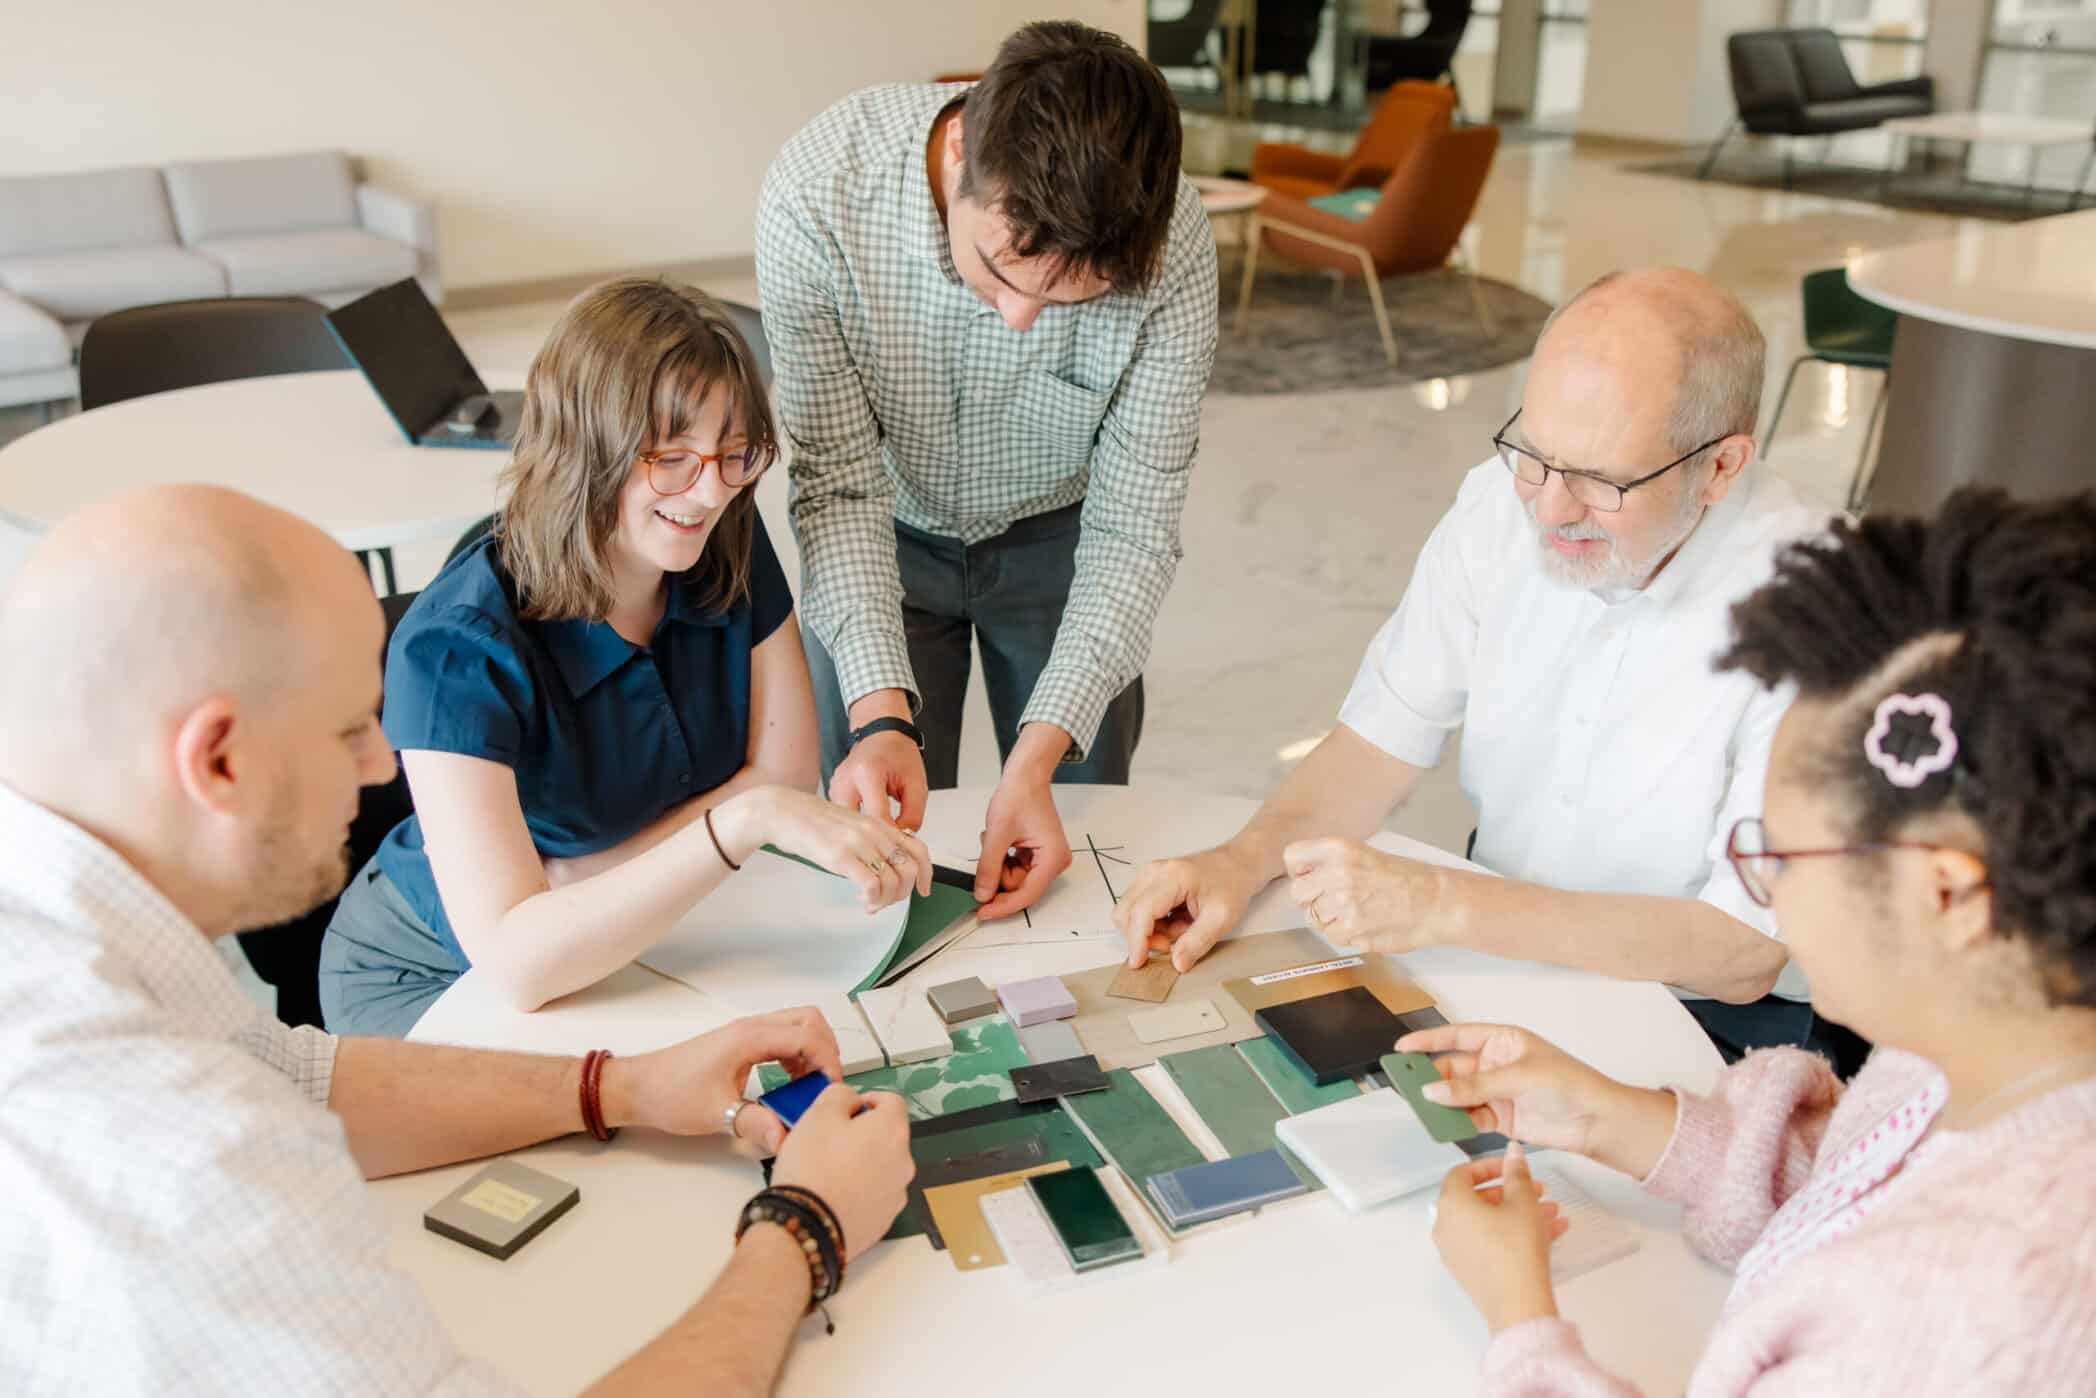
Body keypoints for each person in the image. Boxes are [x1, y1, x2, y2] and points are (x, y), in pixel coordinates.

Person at [0, 485, 915, 1394]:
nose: (381, 764)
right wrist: (808, 1224)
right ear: (220, 761)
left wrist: (620, 1084)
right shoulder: (188, 1166)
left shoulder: (73, 934)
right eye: (351, 725)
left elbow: (295, 1074)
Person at [1416, 489, 2096, 1395]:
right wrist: (1607, 1116)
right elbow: (1862, 1184)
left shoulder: (1967, 1309)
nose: (1762, 886)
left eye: (1779, 852)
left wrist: (1520, 1319)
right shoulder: (1992, 1054)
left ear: (1947, 893)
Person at [1116, 268, 1836, 1059]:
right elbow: (1380, 737)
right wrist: (1239, 861)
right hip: (1499, 956)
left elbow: (1739, 951)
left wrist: (1447, 905)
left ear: (1722, 467)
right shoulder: (1500, 505)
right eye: (1535, 454)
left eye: (1599, 480)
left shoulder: (1825, 610)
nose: (1551, 508)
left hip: (1710, 1017)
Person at [320, 278, 931, 1037]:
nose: (709, 493)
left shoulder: (724, 536)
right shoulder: (454, 646)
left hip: (640, 932)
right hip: (430, 971)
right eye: (672, 457)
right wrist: (742, 821)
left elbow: (784, 772)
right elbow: (519, 962)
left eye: (735, 454)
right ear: (586, 445)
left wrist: (579, 878)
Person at [756, 20, 1219, 922]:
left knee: (1078, 834)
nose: (1019, 317)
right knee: (870, 849)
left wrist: (1037, 762)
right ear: (963, 145)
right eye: (1002, 268)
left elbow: (1133, 526)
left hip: (1065, 542)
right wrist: (884, 717)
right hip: (880, 529)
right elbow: (841, 482)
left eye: (1067, 302)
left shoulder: (1176, 248)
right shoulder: (819, 194)